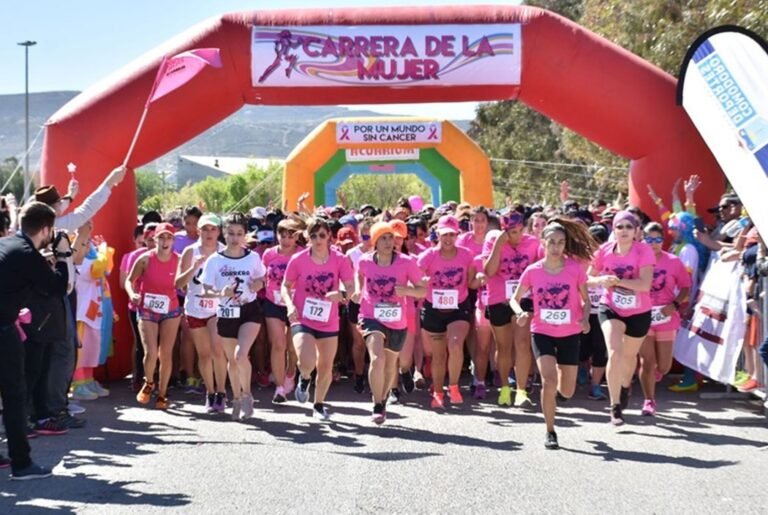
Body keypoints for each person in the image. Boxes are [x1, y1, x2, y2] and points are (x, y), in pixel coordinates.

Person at [0, 201, 72, 479]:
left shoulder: (7, 244)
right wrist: (63, 256)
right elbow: (57, 287)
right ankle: (22, 464)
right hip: (3, 331)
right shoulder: (28, 255)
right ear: (45, 229)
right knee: (15, 396)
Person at [512, 218, 596, 449]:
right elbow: (514, 298)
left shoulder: (575, 269)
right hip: (542, 331)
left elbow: (586, 301)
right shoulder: (533, 271)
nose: (556, 247)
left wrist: (586, 318)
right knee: (549, 380)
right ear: (543, 243)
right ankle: (550, 431)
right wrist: (519, 312)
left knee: (567, 390)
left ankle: (558, 397)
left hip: (570, 332)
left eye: (560, 242)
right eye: (551, 242)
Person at [281, 217, 355, 422]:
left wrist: (341, 294)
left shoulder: (339, 259)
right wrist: (289, 305)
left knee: (325, 366)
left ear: (329, 236)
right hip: (303, 318)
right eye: (313, 235)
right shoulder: (298, 259)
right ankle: (304, 378)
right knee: (306, 362)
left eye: (322, 235)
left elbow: (351, 287)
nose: (318, 239)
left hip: (329, 319)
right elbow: (285, 286)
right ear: (307, 238)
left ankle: (319, 404)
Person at [588, 211, 655, 426]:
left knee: (628, 357)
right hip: (610, 307)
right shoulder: (603, 251)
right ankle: (614, 405)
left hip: (639, 311)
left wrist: (616, 282)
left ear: (636, 231)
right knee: (614, 351)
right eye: (619, 227)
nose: (623, 231)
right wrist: (600, 280)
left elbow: (644, 285)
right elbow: (586, 279)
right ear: (613, 230)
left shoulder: (643, 251)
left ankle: (625, 385)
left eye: (628, 227)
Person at [355, 221, 425, 423]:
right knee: (377, 359)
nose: (388, 242)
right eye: (383, 238)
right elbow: (358, 274)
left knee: (389, 366)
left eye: (390, 237)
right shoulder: (365, 261)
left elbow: (422, 289)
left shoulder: (406, 262)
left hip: (397, 320)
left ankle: (383, 399)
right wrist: (359, 290)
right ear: (374, 242)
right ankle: (377, 403)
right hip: (371, 316)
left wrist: (408, 291)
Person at [201, 213, 266, 421]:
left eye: (239, 234)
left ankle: (247, 394)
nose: (235, 238)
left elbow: (261, 278)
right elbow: (206, 289)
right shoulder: (215, 260)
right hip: (226, 312)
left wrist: (258, 284)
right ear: (224, 235)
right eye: (230, 233)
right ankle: (236, 397)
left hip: (249, 310)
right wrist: (221, 293)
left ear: (245, 235)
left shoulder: (253, 257)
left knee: (241, 355)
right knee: (232, 359)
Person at [417, 215, 477, 408]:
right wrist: (421, 282)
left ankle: (453, 386)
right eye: (444, 235)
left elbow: (470, 282)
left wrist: (482, 278)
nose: (448, 239)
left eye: (451, 234)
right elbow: (414, 278)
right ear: (438, 235)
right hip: (434, 308)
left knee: (455, 344)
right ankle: (438, 391)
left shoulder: (466, 255)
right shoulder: (428, 256)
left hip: (458, 307)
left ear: (457, 235)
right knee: (438, 355)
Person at [484, 211, 543, 407]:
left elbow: (541, 268)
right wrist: (500, 244)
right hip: (499, 300)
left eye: (518, 231)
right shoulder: (494, 241)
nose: (515, 236)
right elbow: (489, 271)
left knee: (523, 342)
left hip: (523, 299)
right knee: (503, 347)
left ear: (524, 228)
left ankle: (521, 391)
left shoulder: (533, 243)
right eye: (511, 232)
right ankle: (505, 388)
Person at [126, 223, 182, 410]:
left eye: (169, 238)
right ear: (155, 239)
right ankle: (149, 381)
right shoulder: (145, 259)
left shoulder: (179, 260)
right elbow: (129, 280)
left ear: (173, 240)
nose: (165, 242)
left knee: (165, 353)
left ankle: (163, 393)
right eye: (161, 238)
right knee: (150, 351)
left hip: (171, 310)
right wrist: (132, 293)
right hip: (147, 309)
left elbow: (186, 283)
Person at [175, 214, 227, 413]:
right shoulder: (190, 252)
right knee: (204, 354)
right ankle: (210, 392)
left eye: (213, 229)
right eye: (205, 229)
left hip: (217, 310)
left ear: (219, 232)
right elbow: (178, 284)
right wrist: (194, 267)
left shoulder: (224, 252)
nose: (209, 233)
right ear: (199, 231)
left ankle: (221, 392)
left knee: (217, 349)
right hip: (195, 309)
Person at [638, 222, 691, 415]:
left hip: (666, 316)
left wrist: (675, 305)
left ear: (663, 240)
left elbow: (686, 287)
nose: (653, 243)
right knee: (647, 361)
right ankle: (649, 400)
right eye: (649, 239)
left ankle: (657, 372)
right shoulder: (636, 260)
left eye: (657, 239)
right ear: (642, 240)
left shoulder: (673, 261)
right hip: (642, 315)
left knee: (665, 365)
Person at [261, 217, 304, 403]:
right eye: (282, 235)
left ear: (296, 237)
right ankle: (279, 388)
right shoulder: (269, 254)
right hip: (273, 303)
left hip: (296, 304)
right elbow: (262, 276)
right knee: (278, 345)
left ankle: (290, 372)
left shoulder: (303, 254)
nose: (286, 240)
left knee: (292, 347)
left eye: (290, 236)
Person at [34, 166, 127, 233]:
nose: (61, 203)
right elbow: (87, 209)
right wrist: (111, 180)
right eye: (59, 201)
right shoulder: (56, 225)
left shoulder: (38, 222)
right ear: (52, 208)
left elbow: (63, 204)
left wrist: (71, 194)